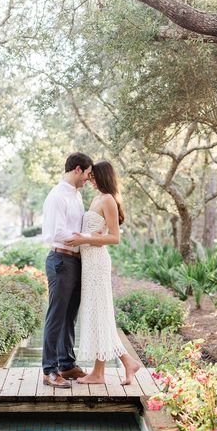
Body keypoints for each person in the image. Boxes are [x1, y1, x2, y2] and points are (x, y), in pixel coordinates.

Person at [65, 160, 140, 386]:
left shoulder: (108, 199)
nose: (90, 179)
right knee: (99, 315)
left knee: (100, 315)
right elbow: (93, 232)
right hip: (88, 263)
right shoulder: (96, 198)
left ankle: (101, 372)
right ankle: (125, 363)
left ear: (104, 176)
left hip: (97, 263)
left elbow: (114, 237)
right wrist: (85, 237)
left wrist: (85, 239)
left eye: (94, 176)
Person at [41, 152, 93, 388]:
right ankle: (49, 370)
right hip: (60, 260)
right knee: (56, 316)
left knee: (69, 316)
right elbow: (57, 233)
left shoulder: (77, 196)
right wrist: (90, 238)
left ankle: (67, 364)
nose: (89, 180)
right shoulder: (57, 196)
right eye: (88, 174)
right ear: (78, 169)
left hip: (75, 260)